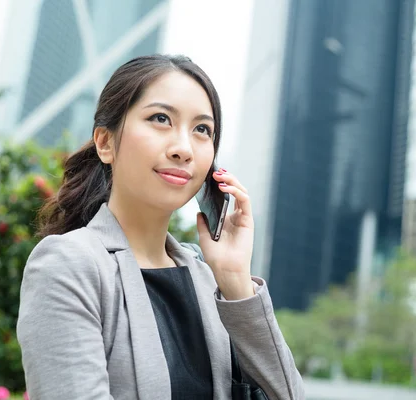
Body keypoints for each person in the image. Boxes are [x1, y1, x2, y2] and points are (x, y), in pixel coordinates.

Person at [16, 54, 305, 400]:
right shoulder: (69, 264)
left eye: (202, 129)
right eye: (160, 118)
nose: (183, 148)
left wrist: (235, 281)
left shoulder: (208, 280)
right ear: (106, 143)